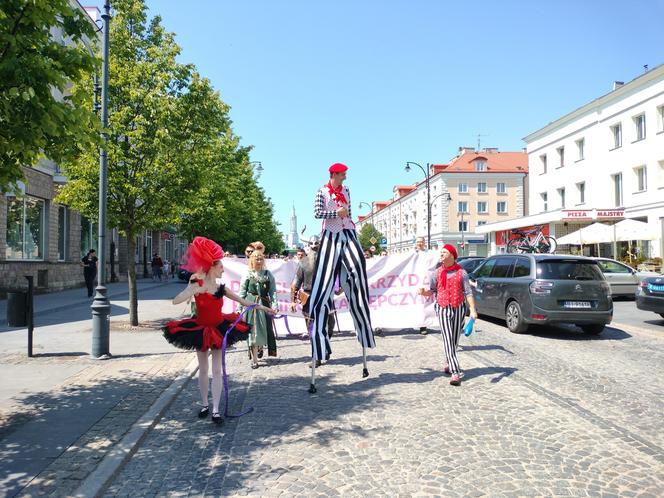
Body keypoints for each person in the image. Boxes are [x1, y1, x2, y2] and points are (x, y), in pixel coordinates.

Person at [163, 237, 274, 425]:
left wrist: (265, 308)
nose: (223, 269)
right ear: (213, 267)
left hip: (218, 328)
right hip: (200, 330)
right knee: (204, 369)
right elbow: (176, 301)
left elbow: (244, 301)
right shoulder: (198, 286)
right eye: (221, 266)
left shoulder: (222, 289)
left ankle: (215, 409)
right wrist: (189, 287)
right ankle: (205, 404)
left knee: (217, 369)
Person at [307, 162, 375, 386]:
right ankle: (320, 347)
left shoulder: (346, 190)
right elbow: (318, 213)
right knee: (323, 284)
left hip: (348, 233)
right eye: (343, 174)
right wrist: (336, 212)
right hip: (330, 236)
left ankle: (364, 331)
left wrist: (346, 219)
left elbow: (350, 213)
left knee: (358, 271)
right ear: (334, 174)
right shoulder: (322, 191)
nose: (345, 177)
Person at [419, 244, 478, 386]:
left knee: (455, 340)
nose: (441, 254)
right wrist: (423, 292)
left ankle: (448, 360)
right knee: (447, 338)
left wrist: (473, 310)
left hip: (458, 308)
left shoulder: (462, 273)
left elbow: (468, 292)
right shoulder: (437, 273)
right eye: (441, 252)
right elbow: (432, 291)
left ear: (452, 255)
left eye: (444, 252)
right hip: (443, 308)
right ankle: (455, 372)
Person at [291, 236, 336, 349]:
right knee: (311, 327)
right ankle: (316, 353)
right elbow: (295, 283)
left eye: (317, 244)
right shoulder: (303, 263)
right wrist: (293, 301)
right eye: (312, 244)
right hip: (309, 298)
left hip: (325, 296)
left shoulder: (328, 261)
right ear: (308, 246)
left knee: (330, 325)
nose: (314, 246)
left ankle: (324, 345)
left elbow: (335, 277)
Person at [239, 251, 279, 368]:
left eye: (261, 259)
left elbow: (273, 292)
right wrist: (239, 308)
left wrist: (275, 305)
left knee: (264, 330)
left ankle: (260, 346)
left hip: (264, 305)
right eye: (257, 259)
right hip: (251, 305)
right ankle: (255, 360)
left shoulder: (267, 274)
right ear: (252, 260)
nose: (259, 261)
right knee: (252, 332)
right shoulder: (247, 274)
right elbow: (242, 293)